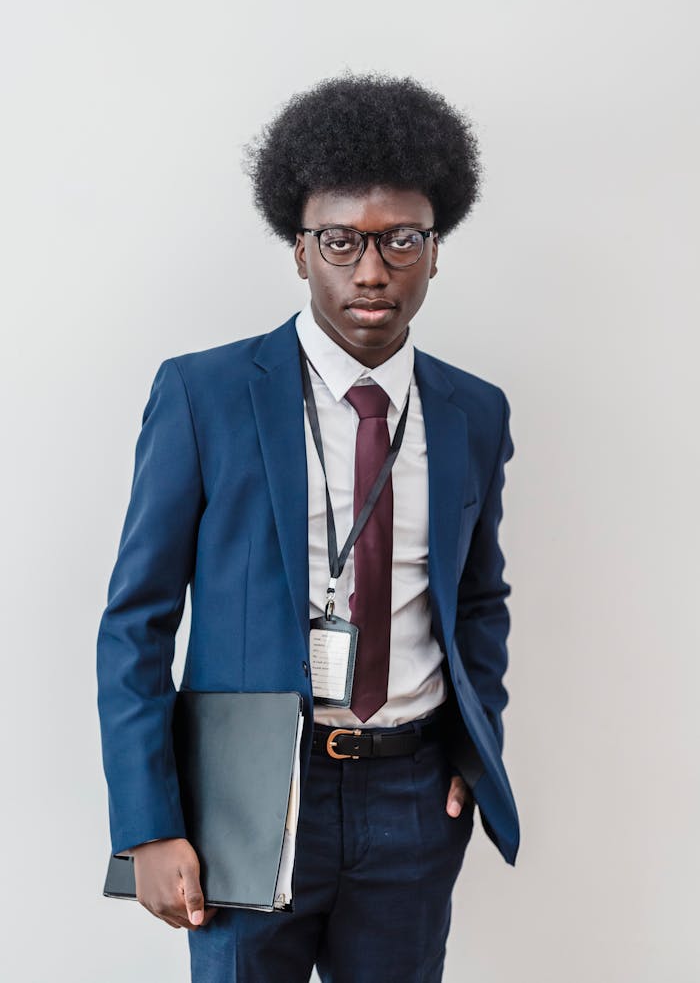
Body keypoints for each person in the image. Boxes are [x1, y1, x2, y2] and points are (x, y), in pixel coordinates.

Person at [96, 73, 519, 983]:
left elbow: (479, 598)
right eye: (341, 241)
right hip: (248, 797)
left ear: (435, 250)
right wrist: (150, 824)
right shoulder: (204, 395)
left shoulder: (473, 412)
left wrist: (473, 759)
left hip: (412, 797)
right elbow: (136, 623)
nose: (372, 271)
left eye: (400, 240)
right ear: (299, 250)